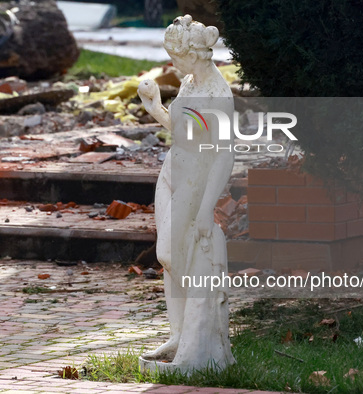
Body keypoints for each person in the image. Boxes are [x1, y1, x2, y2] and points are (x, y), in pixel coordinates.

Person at [137, 14, 235, 373]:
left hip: (195, 178)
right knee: (171, 255)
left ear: (196, 54)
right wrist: (155, 109)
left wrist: (208, 208)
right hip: (171, 172)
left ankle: (198, 342)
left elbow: (225, 155)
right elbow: (184, 130)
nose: (173, 65)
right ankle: (180, 334)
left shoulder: (218, 94)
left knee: (172, 252)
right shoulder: (191, 82)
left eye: (176, 58)